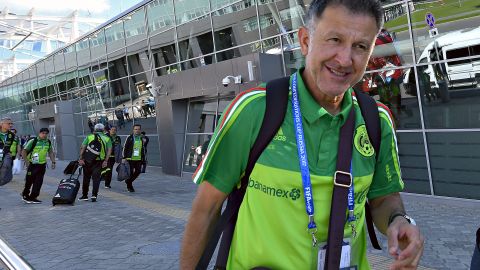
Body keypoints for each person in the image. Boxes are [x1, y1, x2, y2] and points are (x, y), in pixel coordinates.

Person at [180, 1, 424, 269]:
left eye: (360, 46)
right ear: (306, 41)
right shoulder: (255, 109)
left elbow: (383, 198)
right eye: (334, 39)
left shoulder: (377, 120)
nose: (345, 59)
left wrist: (398, 221)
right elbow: (206, 209)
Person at [78, 123, 112, 202]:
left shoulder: (89, 137)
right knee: (96, 179)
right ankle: (94, 195)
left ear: (95, 129)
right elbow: (109, 150)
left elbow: (83, 147)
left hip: (87, 160)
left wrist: (81, 158)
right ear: (103, 130)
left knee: (86, 178)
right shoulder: (107, 138)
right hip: (99, 161)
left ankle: (85, 195)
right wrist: (106, 160)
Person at [21, 128, 55, 204]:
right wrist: (27, 162)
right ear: (39, 133)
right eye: (43, 133)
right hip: (32, 165)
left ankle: (33, 197)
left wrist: (53, 162)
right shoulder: (33, 141)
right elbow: (24, 151)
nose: (44, 135)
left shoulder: (48, 142)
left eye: (46, 133)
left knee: (38, 182)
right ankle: (25, 195)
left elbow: (50, 152)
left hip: (42, 165)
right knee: (29, 181)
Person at [122, 124, 146, 192]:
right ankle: (130, 187)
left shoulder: (142, 138)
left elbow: (143, 149)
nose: (137, 130)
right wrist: (124, 157)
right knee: (131, 173)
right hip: (130, 159)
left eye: (138, 129)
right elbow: (125, 147)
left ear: (140, 130)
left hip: (138, 158)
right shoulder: (129, 137)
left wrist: (144, 159)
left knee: (138, 171)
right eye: (136, 129)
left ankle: (128, 181)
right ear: (133, 130)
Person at [0, 117, 19, 185]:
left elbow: (11, 146)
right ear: (2, 124)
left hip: (5, 156)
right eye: (8, 123)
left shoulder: (12, 135)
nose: (11, 125)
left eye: (11, 124)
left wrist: (12, 154)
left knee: (7, 175)